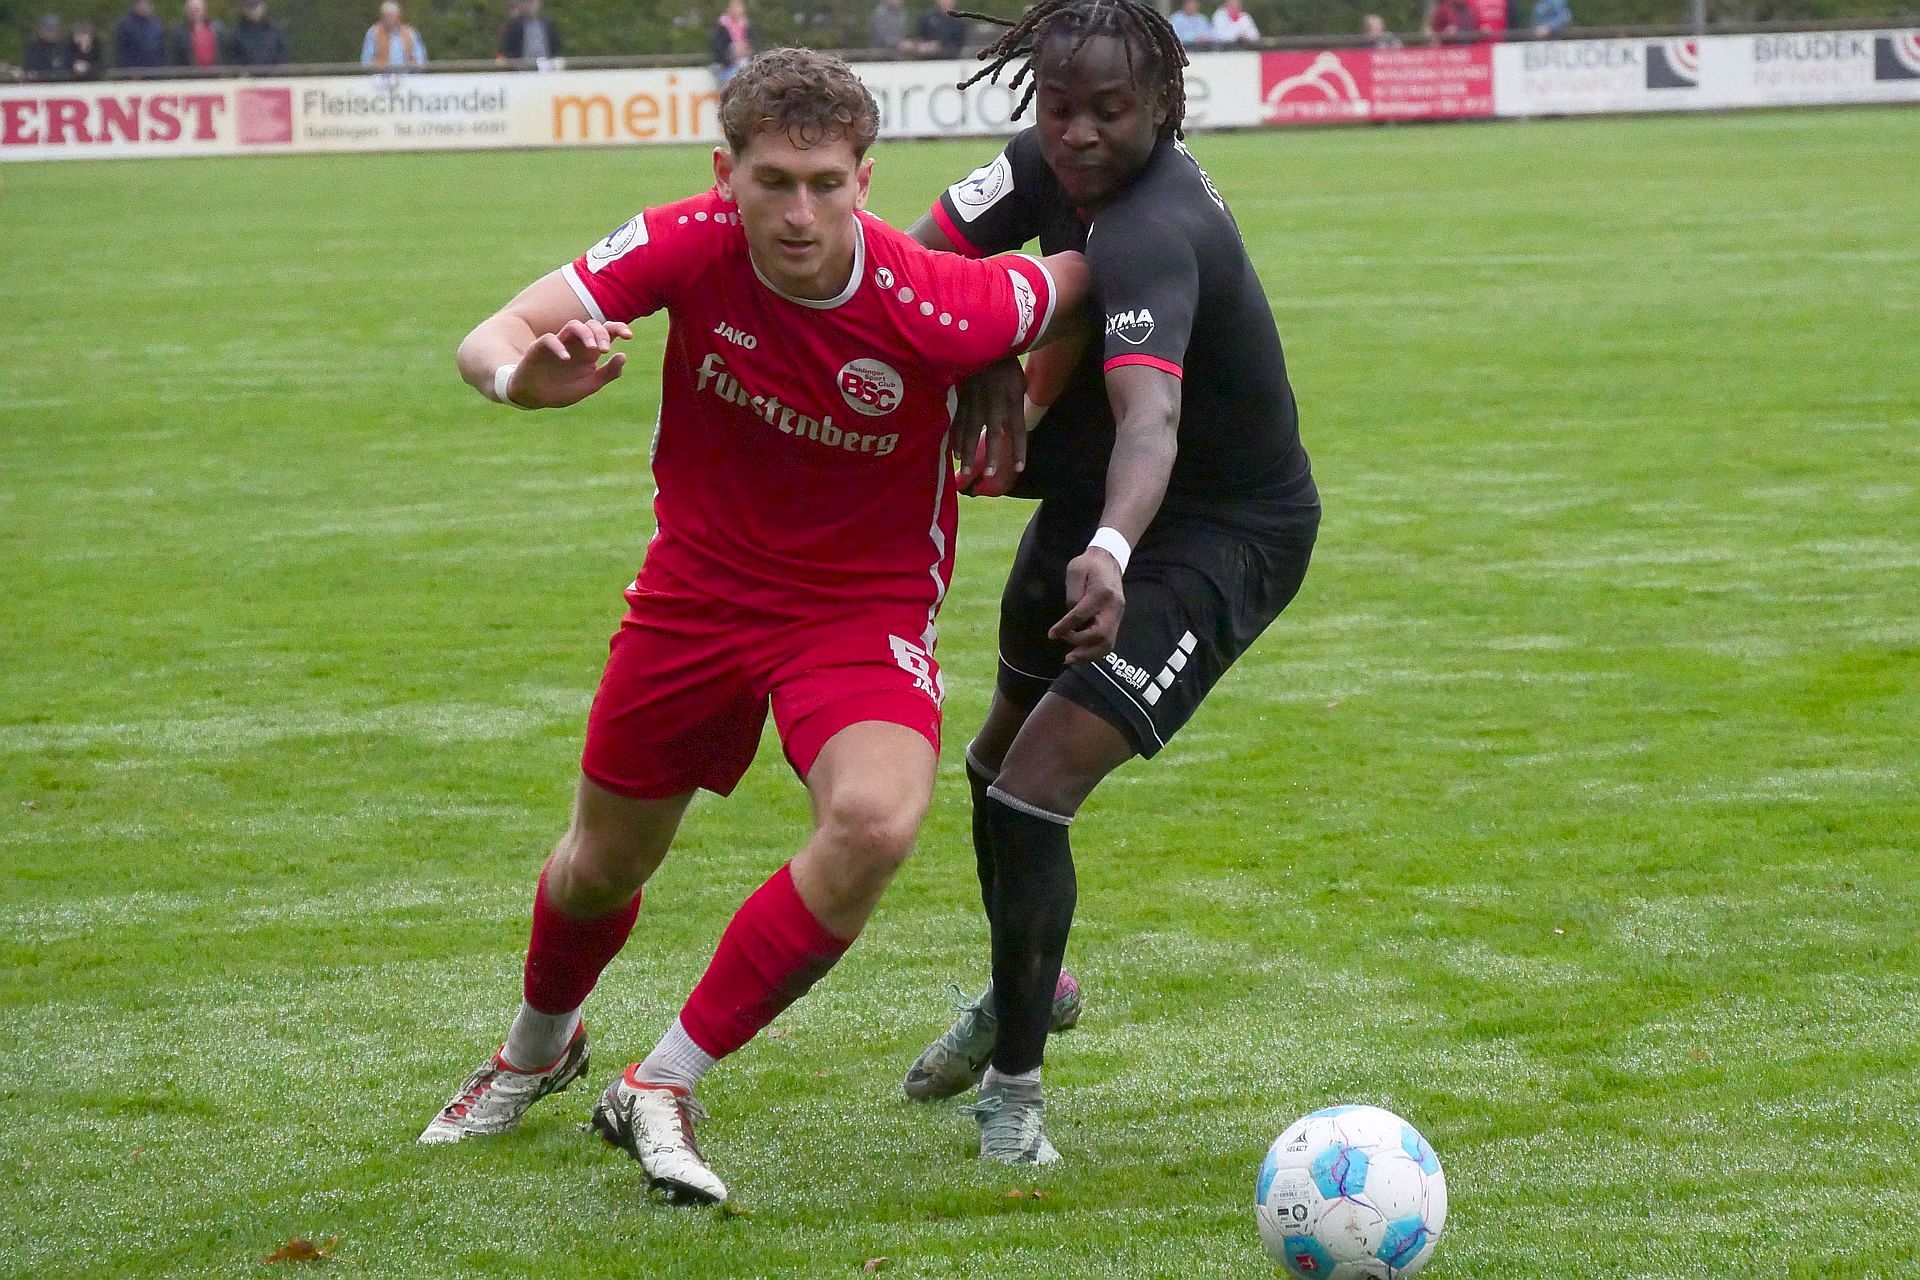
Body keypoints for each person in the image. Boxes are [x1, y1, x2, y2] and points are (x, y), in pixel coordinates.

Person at [416, 47, 1089, 1205]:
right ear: (723, 174)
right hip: (694, 597)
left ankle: (662, 1078)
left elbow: (1085, 273)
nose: (800, 212)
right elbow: (496, 331)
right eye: (773, 180)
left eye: (826, 183)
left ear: (865, 182)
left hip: (857, 613)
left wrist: (1004, 362)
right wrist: (519, 379)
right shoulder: (688, 242)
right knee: (600, 865)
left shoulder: (943, 300)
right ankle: (535, 1046)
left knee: (876, 819)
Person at [901, 0, 1319, 1165]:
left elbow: (1153, 420)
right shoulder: (1038, 163)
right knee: (992, 768)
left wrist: (1116, 550)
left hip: (1219, 532)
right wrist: (983, 341)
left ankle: (1015, 1098)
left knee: (1034, 786)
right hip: (1097, 504)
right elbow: (911, 266)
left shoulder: (1154, 227)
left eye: (1110, 111)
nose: (1077, 133)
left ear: (1165, 106)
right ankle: (1025, 992)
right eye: (1059, 107)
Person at [361, 0, 424, 66]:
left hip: (406, 72)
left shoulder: (410, 32)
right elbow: (365, 61)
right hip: (381, 72)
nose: (390, 19)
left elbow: (421, 59)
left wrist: (415, 63)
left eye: (392, 16)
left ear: (399, 16)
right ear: (382, 17)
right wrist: (376, 64)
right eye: (387, 16)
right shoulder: (374, 32)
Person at [496, 0, 561, 63]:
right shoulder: (514, 24)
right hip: (521, 66)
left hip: (546, 65)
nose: (530, 5)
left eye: (532, 1)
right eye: (526, 1)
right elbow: (506, 49)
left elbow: (556, 47)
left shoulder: (548, 23)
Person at [228, 0, 288, 67]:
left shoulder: (274, 31)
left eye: (255, 7)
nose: (252, 11)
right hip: (247, 73)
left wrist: (277, 70)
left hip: (272, 72)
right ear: (244, 9)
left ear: (263, 7)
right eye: (249, 7)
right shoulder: (238, 33)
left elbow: (282, 54)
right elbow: (232, 57)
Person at [165, 0, 223, 67]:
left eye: (197, 9)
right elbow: (172, 59)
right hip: (188, 72)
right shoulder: (178, 33)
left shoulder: (217, 29)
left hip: (216, 72)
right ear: (186, 10)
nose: (194, 12)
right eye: (191, 9)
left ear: (204, 9)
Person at [113, 0, 165, 70]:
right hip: (133, 71)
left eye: (146, 3)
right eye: (141, 3)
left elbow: (162, 49)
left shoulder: (156, 24)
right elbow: (121, 50)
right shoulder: (125, 24)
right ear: (135, 5)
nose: (144, 6)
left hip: (155, 69)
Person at [709, 0, 749, 86]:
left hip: (744, 61)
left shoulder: (746, 26)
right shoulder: (722, 26)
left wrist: (746, 50)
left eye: (738, 8)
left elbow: (753, 43)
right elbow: (717, 47)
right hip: (726, 66)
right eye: (734, 8)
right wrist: (732, 55)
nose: (736, 10)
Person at [23, 14, 71, 79]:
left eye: (53, 30)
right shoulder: (33, 49)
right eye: (47, 29)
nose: (50, 33)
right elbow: (30, 69)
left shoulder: (66, 48)